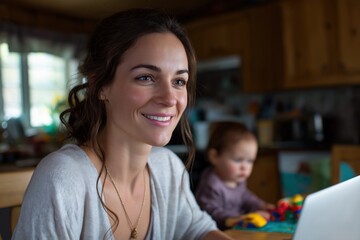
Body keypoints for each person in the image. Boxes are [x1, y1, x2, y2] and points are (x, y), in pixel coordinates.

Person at [12, 8, 233, 240]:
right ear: (101, 87)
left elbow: (196, 230)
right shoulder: (63, 178)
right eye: (146, 77)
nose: (169, 99)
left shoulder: (167, 168)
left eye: (179, 81)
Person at [196, 121, 275, 230]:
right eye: (238, 160)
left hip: (238, 227)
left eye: (250, 161)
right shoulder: (212, 184)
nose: (245, 167)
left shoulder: (237, 178)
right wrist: (236, 218)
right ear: (215, 157)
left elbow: (246, 197)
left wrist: (261, 205)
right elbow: (211, 213)